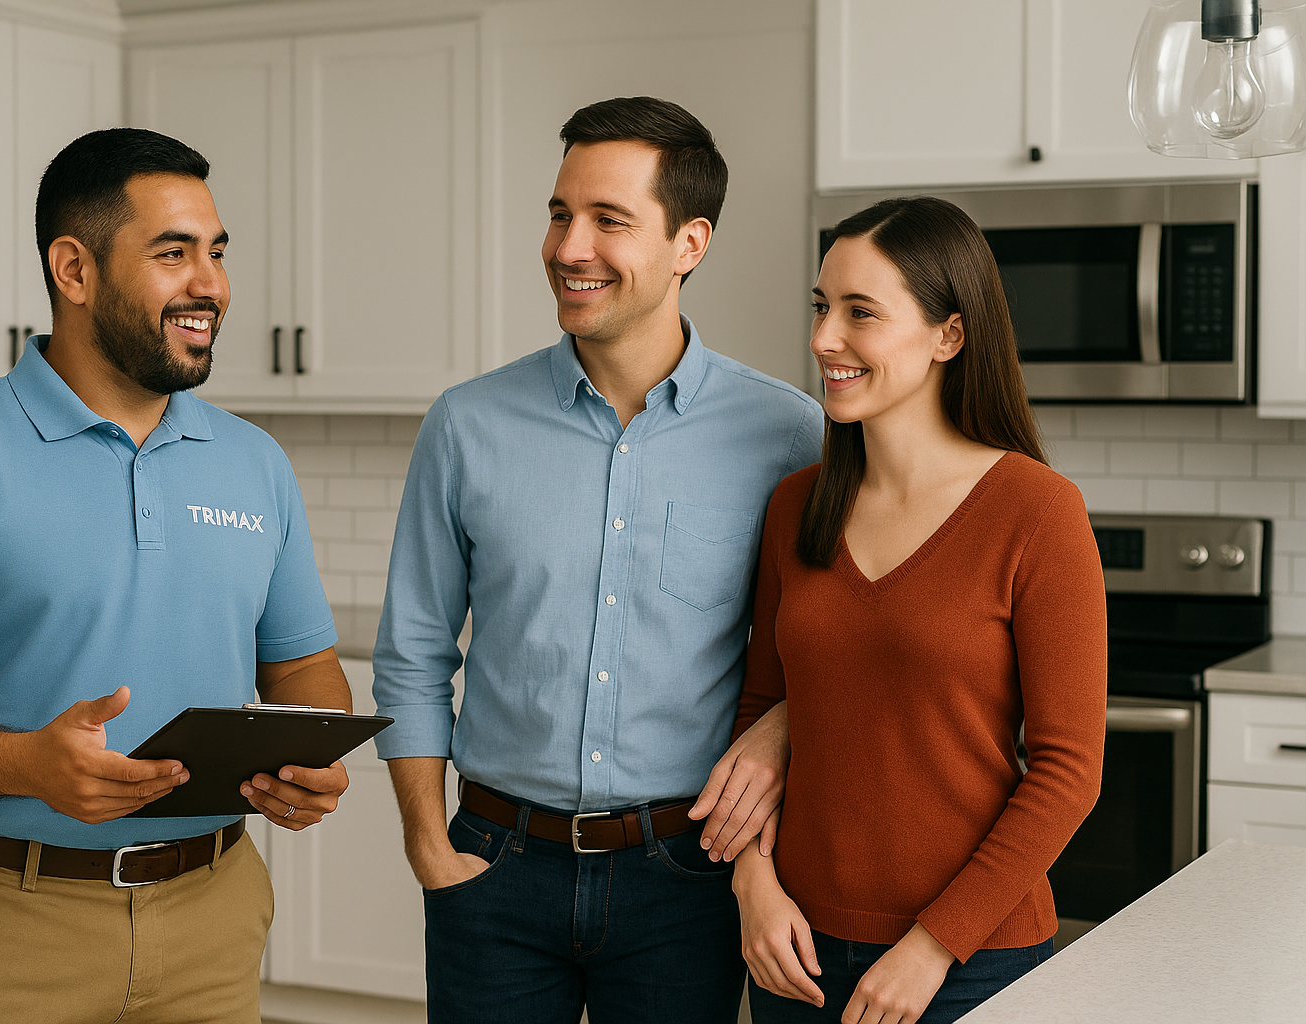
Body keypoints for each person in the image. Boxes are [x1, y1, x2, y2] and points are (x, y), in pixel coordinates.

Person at [0, 128, 352, 1024]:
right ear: (74, 269)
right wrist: (23, 763)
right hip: (6, 923)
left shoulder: (255, 463)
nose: (210, 286)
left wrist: (312, 757)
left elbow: (303, 670)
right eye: (172, 254)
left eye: (216, 253)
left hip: (214, 917)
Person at [371, 96, 825, 1024]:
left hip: (687, 874)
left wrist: (779, 730)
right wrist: (428, 840)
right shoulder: (467, 425)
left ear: (690, 243)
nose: (569, 247)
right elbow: (412, 652)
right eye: (558, 214)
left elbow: (825, 646)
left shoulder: (789, 436)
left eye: (609, 220)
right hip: (491, 866)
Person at [732, 195, 1107, 1024]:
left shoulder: (1037, 511)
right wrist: (752, 884)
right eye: (823, 308)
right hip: (795, 948)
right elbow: (761, 717)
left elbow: (1069, 772)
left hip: (972, 960)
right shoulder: (797, 507)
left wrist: (934, 947)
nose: (825, 339)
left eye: (861, 312)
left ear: (950, 334)